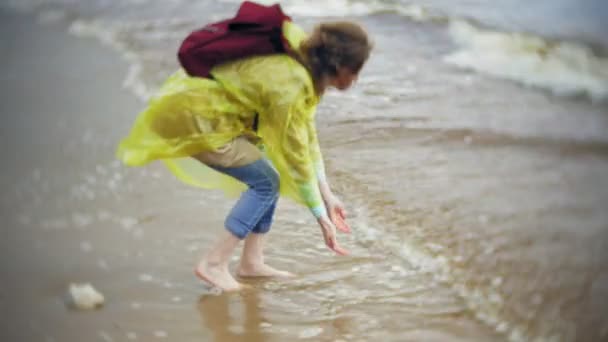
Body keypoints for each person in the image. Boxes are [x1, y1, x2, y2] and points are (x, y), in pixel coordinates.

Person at [117, 19, 373, 291]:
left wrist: (328, 194)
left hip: (208, 112)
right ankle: (213, 263)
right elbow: (297, 159)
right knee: (266, 182)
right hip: (197, 121)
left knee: (268, 177)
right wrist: (321, 217)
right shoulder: (291, 88)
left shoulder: (303, 63)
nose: (355, 79)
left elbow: (307, 136)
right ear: (338, 66)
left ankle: (251, 263)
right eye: (355, 71)